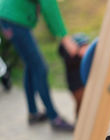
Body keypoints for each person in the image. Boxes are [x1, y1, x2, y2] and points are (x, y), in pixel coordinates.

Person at [0, 0, 78, 132]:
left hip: (12, 17)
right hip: (13, 18)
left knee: (31, 65)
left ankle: (33, 113)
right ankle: (54, 118)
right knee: (40, 69)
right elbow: (49, 5)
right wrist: (64, 37)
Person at [58, 33, 90, 119]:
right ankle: (79, 120)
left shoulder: (85, 58)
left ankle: (83, 119)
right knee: (81, 103)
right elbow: (64, 52)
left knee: (86, 103)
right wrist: (77, 54)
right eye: (83, 46)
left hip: (84, 84)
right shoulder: (71, 58)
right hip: (76, 86)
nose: (86, 49)